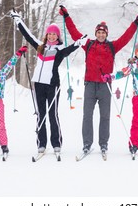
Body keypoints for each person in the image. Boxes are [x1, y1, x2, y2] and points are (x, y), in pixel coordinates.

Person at [59, 5, 138, 154]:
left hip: (106, 86)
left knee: (105, 117)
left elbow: (126, 37)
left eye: (103, 33)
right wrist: (66, 16)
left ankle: (103, 144)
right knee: (87, 116)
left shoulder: (112, 46)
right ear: (95, 33)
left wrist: (135, 24)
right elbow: (74, 33)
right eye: (98, 32)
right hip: (90, 85)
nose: (100, 35)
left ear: (106, 34)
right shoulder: (88, 44)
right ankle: (87, 144)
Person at [10, 10, 87, 154]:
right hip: (38, 85)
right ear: (47, 35)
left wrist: (79, 42)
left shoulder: (60, 49)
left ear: (57, 36)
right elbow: (28, 35)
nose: (51, 36)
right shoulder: (41, 46)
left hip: (53, 85)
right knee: (41, 115)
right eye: (49, 34)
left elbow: (70, 49)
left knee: (52, 114)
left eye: (54, 34)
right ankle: (41, 143)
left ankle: (56, 143)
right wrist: (18, 20)